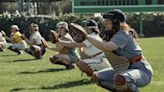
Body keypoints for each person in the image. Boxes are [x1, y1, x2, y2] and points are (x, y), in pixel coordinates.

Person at [83, 9, 153, 92]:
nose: (105, 23)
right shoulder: (112, 35)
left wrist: (86, 36)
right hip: (124, 68)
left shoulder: (122, 34)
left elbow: (107, 47)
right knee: (97, 77)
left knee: (120, 79)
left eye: (108, 21)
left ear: (116, 22)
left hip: (141, 70)